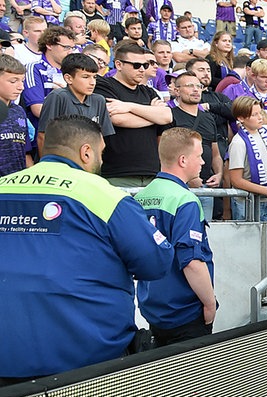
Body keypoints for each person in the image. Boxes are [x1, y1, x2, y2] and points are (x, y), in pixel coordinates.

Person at [0, 115, 172, 383]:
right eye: (101, 153)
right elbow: (156, 261)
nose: (101, 161)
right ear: (86, 151)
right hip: (84, 360)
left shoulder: (4, 186)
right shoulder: (102, 194)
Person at [133, 127, 215, 345]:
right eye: (199, 156)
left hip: (154, 311)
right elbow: (192, 263)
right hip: (185, 313)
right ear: (183, 160)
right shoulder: (185, 200)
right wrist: (210, 304)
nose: (203, 162)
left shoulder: (140, 198)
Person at [96, 42, 174, 187]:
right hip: (118, 172)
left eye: (145, 65)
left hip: (151, 173)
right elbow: (117, 119)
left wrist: (128, 106)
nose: (142, 70)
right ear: (119, 65)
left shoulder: (148, 91)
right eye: (136, 65)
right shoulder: (104, 86)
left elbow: (167, 117)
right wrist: (152, 115)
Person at [38, 52, 112, 149]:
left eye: (94, 77)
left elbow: (101, 137)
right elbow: (43, 136)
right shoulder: (58, 97)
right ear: (68, 78)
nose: (92, 82)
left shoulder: (99, 100)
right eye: (85, 77)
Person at [229, 96, 267, 221]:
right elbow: (236, 180)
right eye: (254, 115)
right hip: (248, 202)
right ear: (241, 118)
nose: (260, 117)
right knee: (248, 239)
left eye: (260, 112)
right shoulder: (238, 142)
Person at [0, 55, 31, 177]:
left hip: (15, 183)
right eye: (13, 81)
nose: (20, 87)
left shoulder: (19, 111)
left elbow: (25, 152)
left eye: (22, 81)